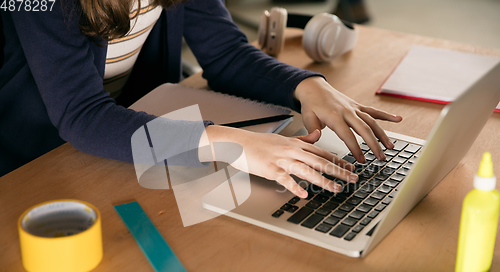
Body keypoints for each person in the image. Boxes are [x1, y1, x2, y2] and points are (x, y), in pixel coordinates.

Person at [0, 0, 401, 198]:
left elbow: (225, 53)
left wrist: (308, 86)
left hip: (138, 138)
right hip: (37, 159)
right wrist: (228, 143)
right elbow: (83, 116)